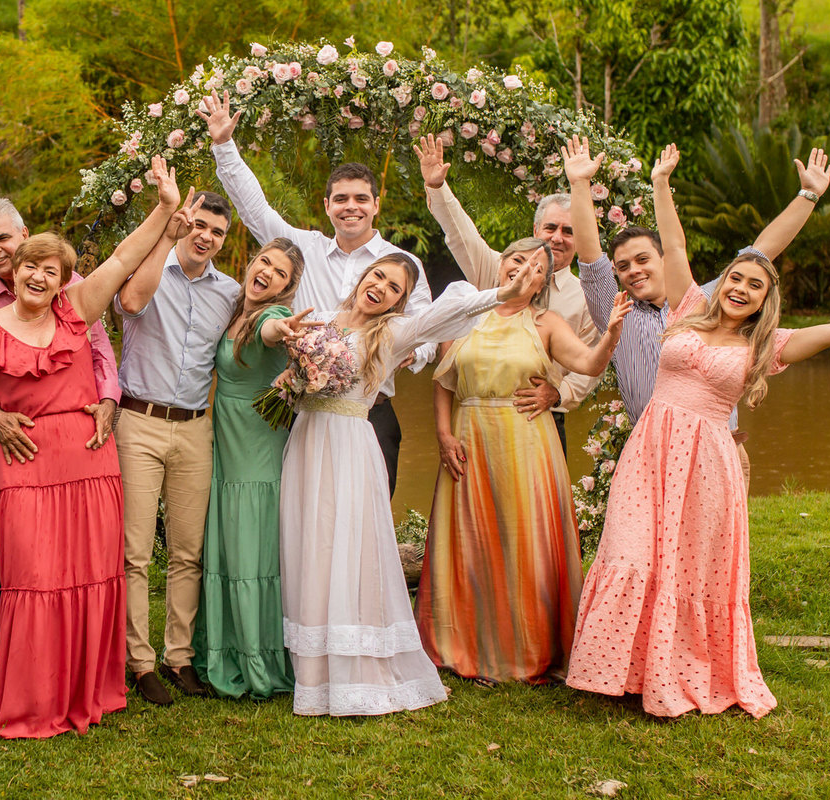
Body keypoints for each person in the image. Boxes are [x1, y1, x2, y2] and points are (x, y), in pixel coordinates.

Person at [565, 144, 830, 719]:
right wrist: (662, 183)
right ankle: (621, 667)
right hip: (650, 452)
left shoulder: (765, 347)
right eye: (734, 278)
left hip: (709, 459)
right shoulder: (687, 307)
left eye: (752, 286)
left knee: (690, 565)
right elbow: (677, 245)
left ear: (765, 300)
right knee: (630, 551)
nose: (739, 288)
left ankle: (676, 672)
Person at [0, 157, 187, 738]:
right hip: (26, 469)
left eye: (52, 271)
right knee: (33, 580)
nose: (39, 277)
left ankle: (87, 689)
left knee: (88, 575)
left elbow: (125, 259)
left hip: (88, 463)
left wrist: (165, 207)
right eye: (32, 268)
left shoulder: (78, 310)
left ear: (62, 279)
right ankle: (33, 701)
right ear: (17, 267)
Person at [279, 253, 535, 716]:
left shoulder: (394, 334)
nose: (380, 287)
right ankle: (308, 668)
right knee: (309, 543)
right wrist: (294, 381)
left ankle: (354, 668)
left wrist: (504, 293)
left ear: (399, 302)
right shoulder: (321, 319)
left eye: (393, 287)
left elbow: (446, 313)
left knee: (349, 548)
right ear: (363, 276)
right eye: (377, 275)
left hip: (348, 445)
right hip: (306, 441)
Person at [415, 239, 630, 685]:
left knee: (522, 537)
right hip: (469, 436)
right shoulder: (466, 314)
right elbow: (444, 381)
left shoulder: (547, 322)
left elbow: (589, 364)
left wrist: (610, 334)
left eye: (536, 268)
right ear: (500, 267)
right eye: (517, 259)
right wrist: (442, 433)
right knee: (470, 539)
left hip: (525, 440)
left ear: (541, 284)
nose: (523, 269)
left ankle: (527, 647)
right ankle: (466, 644)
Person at [203, 90, 435, 496]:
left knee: (368, 512)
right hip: (301, 410)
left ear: (376, 205)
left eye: (361, 199)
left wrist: (414, 352)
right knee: (301, 513)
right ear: (327, 205)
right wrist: (224, 145)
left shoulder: (399, 264)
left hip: (370, 410)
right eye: (341, 199)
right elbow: (254, 207)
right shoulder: (304, 248)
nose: (352, 207)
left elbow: (429, 326)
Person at [0, 196, 122, 658]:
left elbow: (100, 350)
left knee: (74, 556)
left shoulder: (68, 286)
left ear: (24, 236)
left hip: (74, 447)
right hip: (9, 440)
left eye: (3, 237)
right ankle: (11, 648)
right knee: (11, 551)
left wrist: (107, 399)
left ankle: (72, 655)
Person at [564, 136, 830, 425]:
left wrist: (809, 195)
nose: (634, 270)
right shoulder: (615, 313)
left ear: (665, 260)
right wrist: (580, 184)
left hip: (716, 445)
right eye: (623, 266)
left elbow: (763, 251)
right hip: (650, 449)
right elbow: (591, 258)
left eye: (643, 260)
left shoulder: (708, 301)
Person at [115, 190, 240, 707]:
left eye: (217, 231)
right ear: (185, 223)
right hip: (138, 422)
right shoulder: (150, 270)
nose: (205, 236)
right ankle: (139, 661)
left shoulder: (230, 292)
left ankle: (179, 656)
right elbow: (128, 303)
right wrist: (165, 231)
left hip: (195, 428)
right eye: (200, 225)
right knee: (135, 552)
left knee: (188, 551)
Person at [416, 134, 601, 453]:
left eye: (569, 232)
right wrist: (437, 187)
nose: (557, 238)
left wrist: (558, 393)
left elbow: (590, 361)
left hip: (541, 417)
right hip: (478, 416)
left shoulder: (586, 296)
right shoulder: (500, 268)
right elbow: (462, 235)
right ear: (535, 230)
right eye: (550, 228)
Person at [191, 238, 317, 699]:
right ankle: (221, 649)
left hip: (256, 449)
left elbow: (273, 332)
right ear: (252, 262)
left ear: (288, 288)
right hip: (227, 444)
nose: (268, 273)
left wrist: (284, 331)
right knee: (227, 544)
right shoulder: (234, 308)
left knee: (250, 549)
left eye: (281, 273)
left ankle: (256, 658)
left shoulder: (270, 318)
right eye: (265, 261)